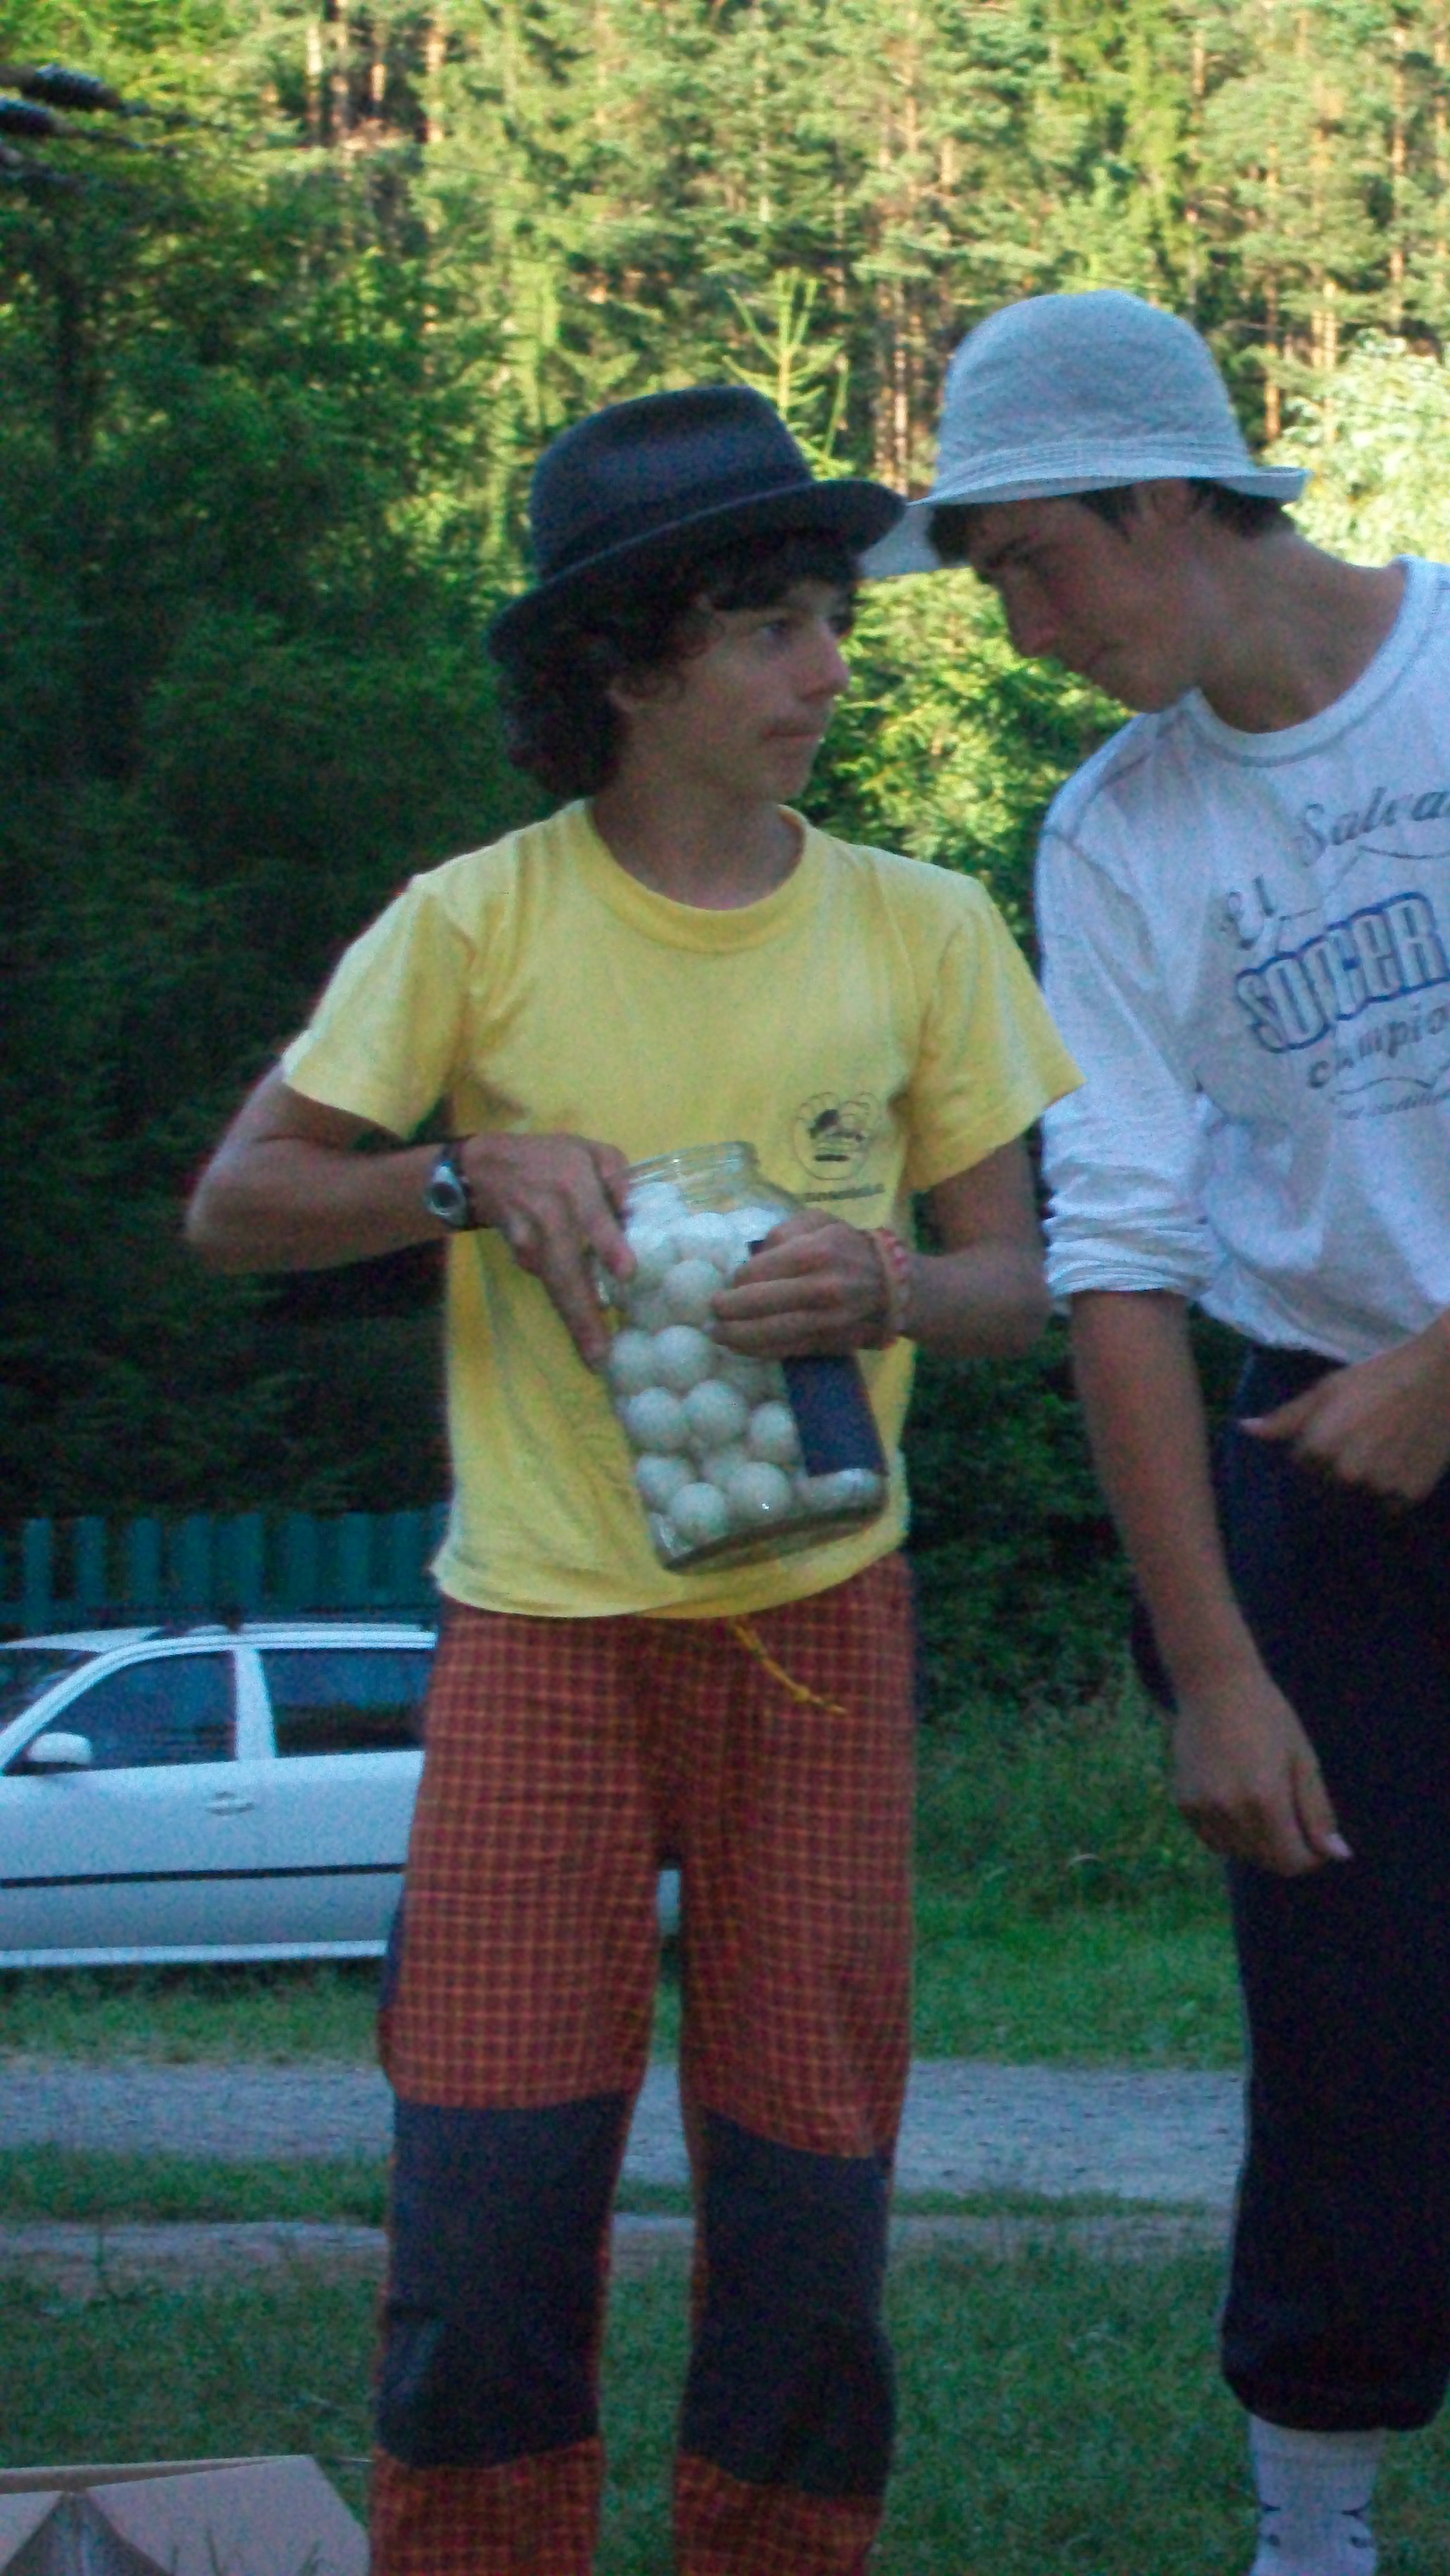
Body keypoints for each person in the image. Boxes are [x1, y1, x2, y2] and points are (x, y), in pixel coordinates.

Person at [186, 382, 1077, 2576]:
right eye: (773, 628)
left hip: (824, 1630)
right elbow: (240, 1205)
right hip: (541, 1639)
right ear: (624, 664)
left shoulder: (922, 924)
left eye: (831, 620)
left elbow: (1019, 1286)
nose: (828, 668)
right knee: (489, 2197)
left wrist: (883, 1278)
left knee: (808, 2194)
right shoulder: (471, 923)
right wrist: (462, 1177)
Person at [865, 285, 1450, 2575]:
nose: (1023, 629)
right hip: (1321, 1468)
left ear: (1170, 500)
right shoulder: (1116, 834)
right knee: (1351, 2026)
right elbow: (1114, 1254)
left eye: (1034, 564)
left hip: (1419, 1381)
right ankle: (1314, 2526)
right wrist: (1213, 1667)